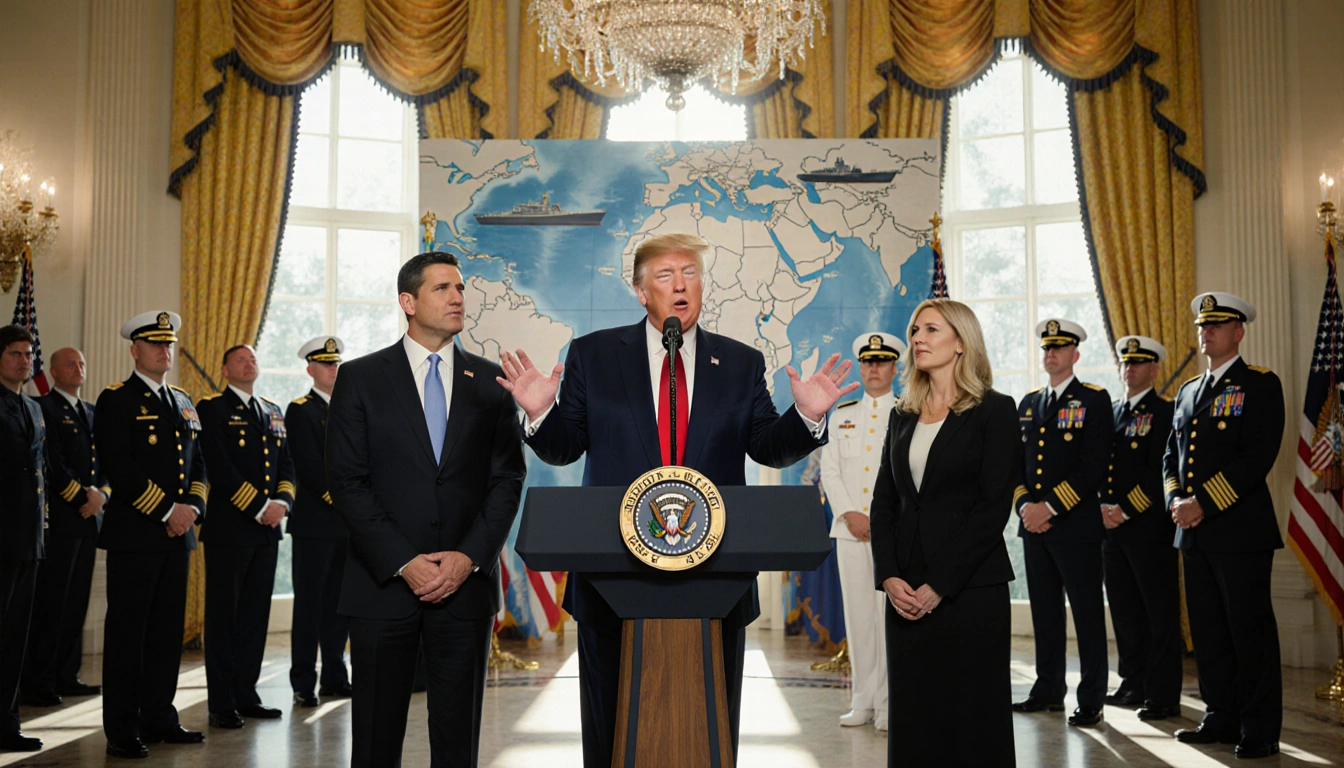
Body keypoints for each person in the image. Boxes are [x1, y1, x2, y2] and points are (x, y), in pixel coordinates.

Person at [498, 232, 857, 767]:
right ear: (641, 291)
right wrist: (539, 415)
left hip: (714, 576)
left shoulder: (739, 363)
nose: (681, 285)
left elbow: (767, 449)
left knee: (708, 720)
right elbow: (565, 446)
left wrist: (806, 418)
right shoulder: (594, 355)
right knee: (608, 719)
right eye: (665, 276)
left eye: (690, 273)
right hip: (612, 574)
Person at [326, 252, 526, 768]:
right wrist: (404, 561)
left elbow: (507, 480)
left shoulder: (492, 384)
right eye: (442, 288)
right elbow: (348, 483)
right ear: (408, 302)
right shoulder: (361, 378)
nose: (458, 297)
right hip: (382, 586)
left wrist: (467, 558)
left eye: (460, 287)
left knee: (458, 739)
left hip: (465, 589)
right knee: (374, 737)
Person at [869, 299, 1017, 767]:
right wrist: (889, 575)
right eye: (916, 330)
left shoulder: (995, 410)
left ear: (960, 343)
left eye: (931, 329)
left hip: (969, 589)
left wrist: (941, 585)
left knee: (972, 719)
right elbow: (885, 501)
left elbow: (991, 509)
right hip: (906, 591)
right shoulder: (903, 412)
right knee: (914, 717)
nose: (918, 339)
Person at [1165, 292, 1284, 759]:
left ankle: (1259, 726)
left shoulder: (1259, 384)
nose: (1206, 331)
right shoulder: (1189, 390)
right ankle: (1220, 715)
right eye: (1202, 325)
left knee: (1248, 630)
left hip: (1240, 532)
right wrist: (1176, 498)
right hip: (1192, 532)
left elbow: (1256, 458)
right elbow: (1169, 457)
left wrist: (1202, 504)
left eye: (1217, 324)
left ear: (1238, 332)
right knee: (1209, 630)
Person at [97, 311, 208, 758]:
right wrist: (167, 510)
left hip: (177, 537)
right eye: (155, 344)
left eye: (169, 344)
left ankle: (159, 715)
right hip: (136, 535)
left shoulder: (182, 400)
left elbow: (199, 464)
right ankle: (122, 728)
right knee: (128, 634)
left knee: (166, 633)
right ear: (134, 350)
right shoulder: (116, 399)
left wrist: (194, 508)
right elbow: (119, 469)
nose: (165, 351)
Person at [1011, 318, 1114, 727]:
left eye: (1059, 348)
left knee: (1087, 614)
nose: (1050, 354)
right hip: (1033, 528)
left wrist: (1048, 507)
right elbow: (1014, 466)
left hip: (1074, 527)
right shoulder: (1028, 403)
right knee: (1045, 613)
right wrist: (1024, 507)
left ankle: (1091, 698)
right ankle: (1048, 688)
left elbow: (1094, 466)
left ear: (1075, 354)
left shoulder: (1094, 399)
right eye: (1046, 348)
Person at [196, 344, 296, 728]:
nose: (249, 363)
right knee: (224, 617)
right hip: (230, 530)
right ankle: (221, 701)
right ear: (224, 370)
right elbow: (217, 467)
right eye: (240, 359)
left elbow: (286, 463)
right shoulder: (212, 409)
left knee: (255, 616)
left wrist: (283, 504)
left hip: (268, 531)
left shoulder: (271, 410)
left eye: (253, 358)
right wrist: (259, 506)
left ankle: (246, 693)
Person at [820, 331, 904, 733]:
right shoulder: (842, 415)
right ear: (861, 366)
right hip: (850, 531)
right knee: (858, 619)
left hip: (894, 534)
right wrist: (850, 513)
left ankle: (889, 705)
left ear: (895, 367)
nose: (874, 368)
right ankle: (863, 702)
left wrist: (881, 520)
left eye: (882, 361)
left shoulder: (909, 413)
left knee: (889, 618)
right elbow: (830, 470)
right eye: (868, 361)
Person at [1100, 335, 1181, 720]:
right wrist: (1103, 508)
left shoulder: (1164, 412)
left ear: (1153, 368)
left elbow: (1159, 470)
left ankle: (1162, 693)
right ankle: (1132, 681)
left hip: (1148, 529)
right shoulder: (1112, 413)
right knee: (1125, 610)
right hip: (1111, 530)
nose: (1129, 368)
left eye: (1138, 363)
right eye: (1125, 363)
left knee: (1158, 612)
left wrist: (1125, 509)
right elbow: (1101, 466)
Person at [23, 347, 107, 707]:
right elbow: (52, 462)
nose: (78, 368)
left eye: (82, 363)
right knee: (52, 603)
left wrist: (101, 495)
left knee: (76, 602)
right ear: (53, 371)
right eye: (71, 364)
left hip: (89, 521)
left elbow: (106, 461)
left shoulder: (91, 411)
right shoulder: (44, 407)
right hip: (60, 520)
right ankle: (39, 679)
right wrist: (81, 498)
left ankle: (67, 674)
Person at [287, 335, 351, 707]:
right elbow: (308, 467)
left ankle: (334, 677)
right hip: (315, 523)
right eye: (327, 364)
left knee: (338, 607)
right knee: (309, 606)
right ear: (311, 369)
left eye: (337, 363)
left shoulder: (349, 407)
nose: (334, 369)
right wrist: (346, 500)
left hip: (345, 525)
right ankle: (303, 682)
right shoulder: (301, 410)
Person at [0, 325, 47, 753]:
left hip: (28, 539)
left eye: (28, 354)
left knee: (15, 639)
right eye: (15, 354)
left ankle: (7, 726)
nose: (24, 360)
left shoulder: (33, 408)